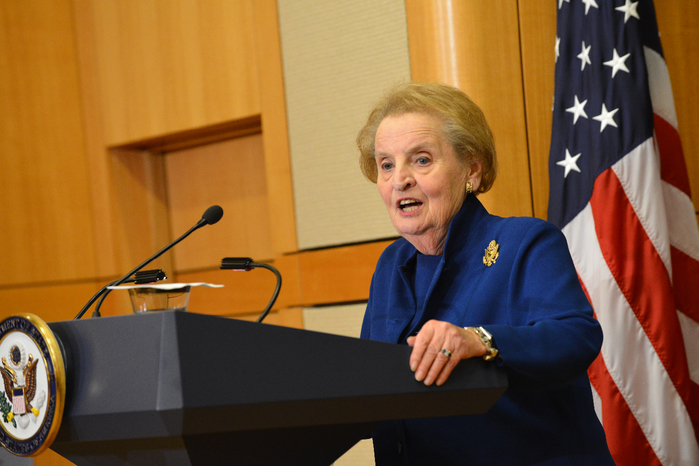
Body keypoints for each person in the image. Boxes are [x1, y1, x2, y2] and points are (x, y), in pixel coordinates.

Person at [356, 82, 615, 465]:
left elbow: (576, 336)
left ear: (472, 169)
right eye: (386, 165)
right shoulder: (391, 266)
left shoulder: (524, 241)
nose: (400, 180)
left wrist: (479, 340)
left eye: (422, 160)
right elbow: (371, 383)